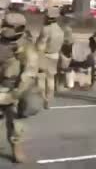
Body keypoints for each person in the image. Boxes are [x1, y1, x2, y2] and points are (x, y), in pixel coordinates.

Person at [0, 13, 40, 163]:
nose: (4, 28)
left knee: (16, 124)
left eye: (8, 26)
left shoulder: (27, 49)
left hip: (13, 90)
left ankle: (17, 148)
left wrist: (14, 95)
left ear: (19, 28)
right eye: (4, 24)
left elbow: (29, 74)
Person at [36, 8, 65, 109]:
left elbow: (41, 45)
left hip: (45, 55)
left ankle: (42, 98)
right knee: (51, 78)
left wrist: (37, 53)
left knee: (41, 77)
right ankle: (49, 99)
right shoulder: (60, 30)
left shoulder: (46, 29)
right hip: (55, 55)